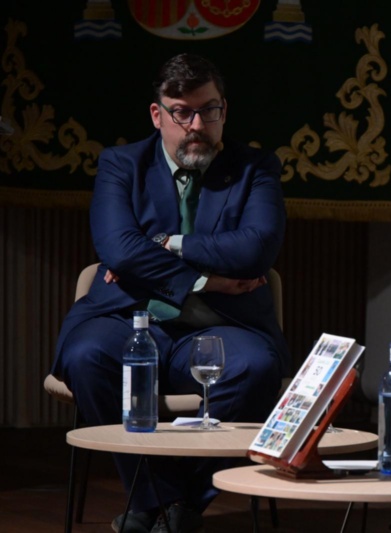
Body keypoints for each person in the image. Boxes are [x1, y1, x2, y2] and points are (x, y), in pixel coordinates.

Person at [50, 53, 289, 533]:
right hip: (129, 318)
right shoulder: (121, 163)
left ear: (224, 110)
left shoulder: (255, 168)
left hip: (222, 324)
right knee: (86, 356)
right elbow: (118, 248)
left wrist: (165, 243)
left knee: (256, 368)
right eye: (182, 112)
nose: (197, 125)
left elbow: (256, 250)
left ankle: (166, 507)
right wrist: (204, 278)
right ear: (157, 115)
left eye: (209, 110)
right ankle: (169, 504)